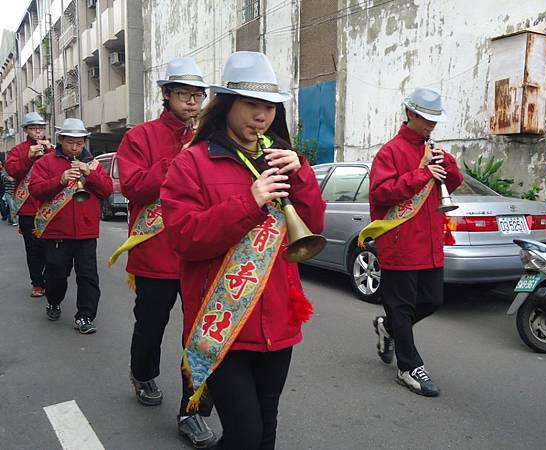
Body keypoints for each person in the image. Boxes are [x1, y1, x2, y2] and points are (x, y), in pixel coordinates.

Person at [161, 51, 326, 449]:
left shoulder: (283, 159)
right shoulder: (192, 164)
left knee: (267, 427)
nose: (262, 116)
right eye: (252, 105)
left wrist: (301, 176)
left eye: (270, 107)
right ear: (227, 104)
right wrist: (249, 202)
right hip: (223, 324)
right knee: (244, 434)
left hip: (279, 323)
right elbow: (184, 237)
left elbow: (312, 227)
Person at [111, 57, 216, 449]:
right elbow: (135, 187)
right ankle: (142, 373)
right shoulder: (140, 137)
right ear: (166, 95)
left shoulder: (211, 136)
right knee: (151, 325)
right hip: (155, 254)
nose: (192, 102)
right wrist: (182, 157)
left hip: (201, 253)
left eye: (198, 95)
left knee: (200, 335)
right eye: (184, 94)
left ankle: (192, 410)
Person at [360, 87, 463, 397]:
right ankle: (408, 367)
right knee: (401, 307)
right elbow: (380, 193)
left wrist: (447, 165)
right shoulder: (390, 151)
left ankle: (388, 327)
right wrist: (421, 174)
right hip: (399, 242)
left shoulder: (433, 149)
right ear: (410, 114)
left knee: (433, 300)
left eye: (435, 120)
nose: (431, 125)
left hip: (431, 240)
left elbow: (453, 183)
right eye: (426, 119)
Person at [29, 118, 112, 333]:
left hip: (86, 231)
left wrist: (90, 174)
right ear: (61, 140)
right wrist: (60, 180)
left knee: (88, 276)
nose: (75, 147)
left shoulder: (92, 163)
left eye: (80, 143)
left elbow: (106, 191)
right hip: (57, 230)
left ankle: (85, 316)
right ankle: (54, 300)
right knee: (56, 274)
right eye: (70, 142)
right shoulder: (45, 163)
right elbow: (36, 190)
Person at [5, 112, 53, 296]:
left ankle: (50, 279)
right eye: (33, 128)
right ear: (26, 130)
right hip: (28, 209)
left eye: (41, 128)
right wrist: (28, 157)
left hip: (51, 207)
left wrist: (49, 152)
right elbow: (12, 171)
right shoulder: (18, 150)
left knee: (52, 249)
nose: (38, 132)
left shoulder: (52, 149)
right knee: (33, 250)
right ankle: (38, 283)